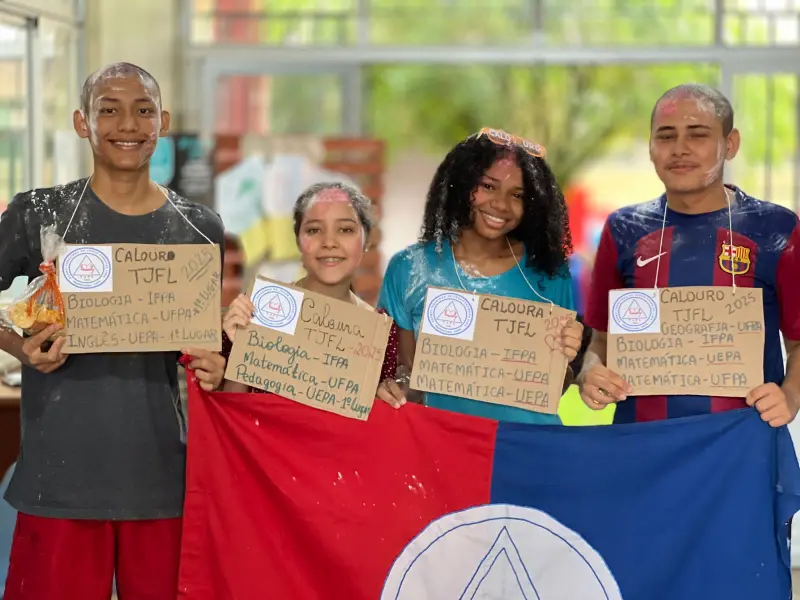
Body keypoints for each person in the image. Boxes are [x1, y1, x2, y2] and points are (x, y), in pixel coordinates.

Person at [0, 62, 227, 600]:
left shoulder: (199, 227)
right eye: (109, 109)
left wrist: (217, 361)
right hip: (60, 475)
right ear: (83, 122)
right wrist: (20, 346)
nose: (128, 123)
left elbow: (194, 344)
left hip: (159, 477)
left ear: (162, 122)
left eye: (143, 110)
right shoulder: (39, 213)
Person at [578, 84, 800, 426]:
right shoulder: (623, 229)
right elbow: (602, 340)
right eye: (666, 136)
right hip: (641, 446)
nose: (679, 149)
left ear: (730, 144)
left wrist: (790, 395)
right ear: (651, 147)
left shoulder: (777, 229)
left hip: (741, 446)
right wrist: (591, 371)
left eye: (697, 135)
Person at [375, 128, 583, 424]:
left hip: (528, 449)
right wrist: (394, 388)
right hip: (446, 449)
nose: (500, 203)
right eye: (488, 186)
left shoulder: (549, 273)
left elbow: (553, 387)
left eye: (518, 195)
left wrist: (565, 360)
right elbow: (404, 374)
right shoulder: (409, 268)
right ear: (462, 185)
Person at [222, 182, 398, 391]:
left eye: (345, 229)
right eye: (314, 230)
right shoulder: (257, 310)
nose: (329, 242)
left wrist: (386, 398)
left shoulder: (381, 334)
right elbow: (230, 412)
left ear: (366, 240)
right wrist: (241, 348)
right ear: (298, 240)